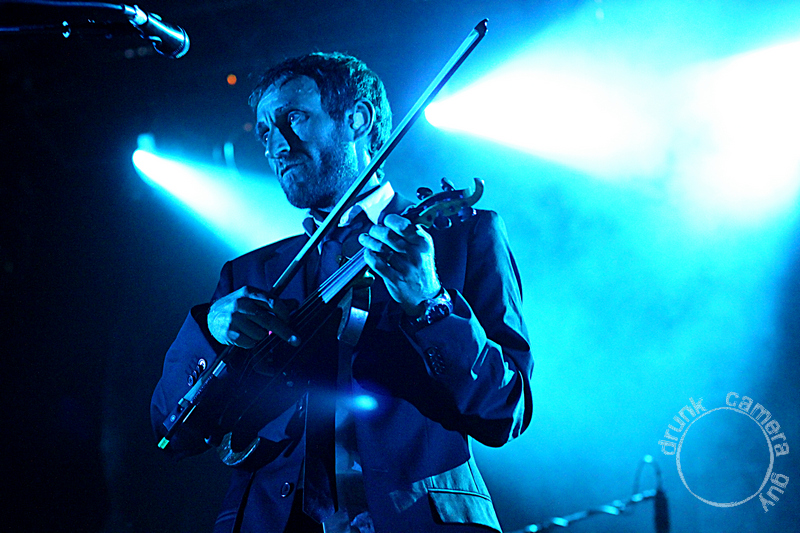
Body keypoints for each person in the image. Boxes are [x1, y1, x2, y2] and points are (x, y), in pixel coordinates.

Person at [151, 52, 534, 533]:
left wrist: (431, 305)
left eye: (294, 118)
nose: (276, 145)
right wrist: (208, 330)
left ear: (358, 120)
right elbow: (170, 432)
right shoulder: (250, 273)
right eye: (265, 132)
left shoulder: (461, 237)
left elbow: (505, 409)